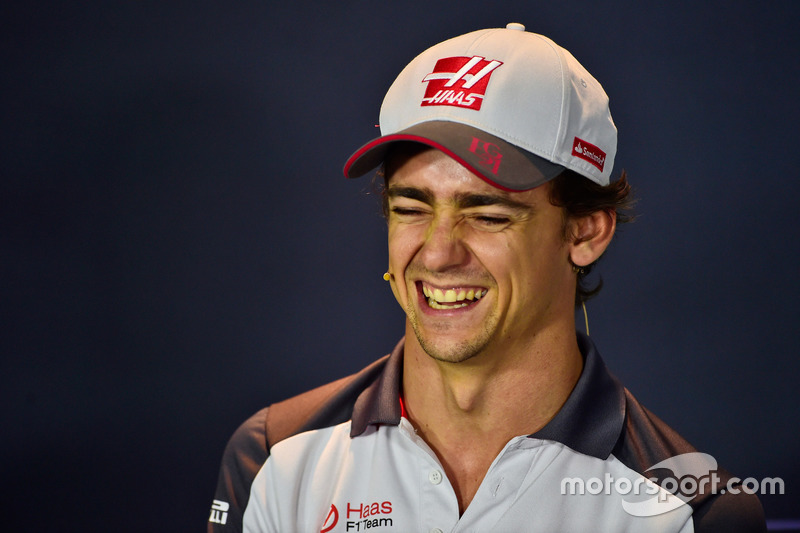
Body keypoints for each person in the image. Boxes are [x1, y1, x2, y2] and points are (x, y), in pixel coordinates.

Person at [208, 23, 766, 532]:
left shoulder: (688, 513)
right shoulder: (274, 455)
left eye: (488, 215)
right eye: (411, 208)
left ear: (586, 232)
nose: (438, 253)